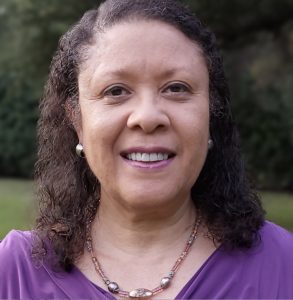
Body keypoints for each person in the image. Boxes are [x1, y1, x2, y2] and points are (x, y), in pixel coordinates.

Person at [0, 0, 292, 299]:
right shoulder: (14, 274)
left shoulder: (284, 266)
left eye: (176, 88)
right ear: (77, 120)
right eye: (115, 91)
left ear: (210, 112)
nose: (148, 117)